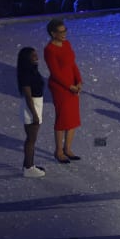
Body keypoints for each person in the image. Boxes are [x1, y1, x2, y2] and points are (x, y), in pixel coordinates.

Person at [44, 19, 82, 163]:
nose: (64, 34)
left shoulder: (67, 44)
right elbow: (55, 73)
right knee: (62, 119)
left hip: (72, 85)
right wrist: (70, 86)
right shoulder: (50, 50)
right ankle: (58, 150)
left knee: (72, 118)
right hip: (60, 88)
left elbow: (72, 64)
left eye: (65, 30)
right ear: (53, 33)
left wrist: (78, 81)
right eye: (61, 32)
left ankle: (68, 148)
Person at [17, 47, 46, 178]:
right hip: (32, 106)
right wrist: (34, 114)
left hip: (36, 104)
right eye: (33, 55)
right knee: (31, 139)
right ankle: (29, 168)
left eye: (36, 54)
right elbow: (28, 97)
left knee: (31, 139)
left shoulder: (32, 70)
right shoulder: (26, 73)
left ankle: (28, 165)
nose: (36, 57)